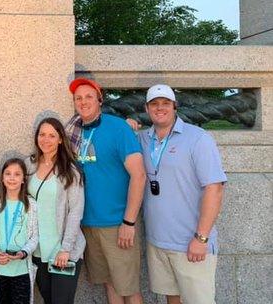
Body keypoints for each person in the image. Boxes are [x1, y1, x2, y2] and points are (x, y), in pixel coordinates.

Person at [138, 84, 226, 304]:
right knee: (172, 299)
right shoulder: (143, 139)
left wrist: (201, 237)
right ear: (147, 108)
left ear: (175, 106)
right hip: (157, 243)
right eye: (154, 104)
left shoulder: (198, 138)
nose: (160, 108)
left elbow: (214, 188)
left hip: (190, 243)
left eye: (165, 103)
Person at [65, 77, 146, 304]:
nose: (83, 101)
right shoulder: (73, 131)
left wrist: (129, 222)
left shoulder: (118, 127)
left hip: (117, 224)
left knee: (129, 288)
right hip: (89, 224)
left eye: (89, 96)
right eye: (78, 98)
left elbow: (139, 175)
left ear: (100, 100)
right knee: (110, 284)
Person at [26, 117, 85, 304]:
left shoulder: (70, 170)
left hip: (62, 251)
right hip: (38, 251)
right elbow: (11, 193)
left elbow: (76, 211)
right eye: (42, 134)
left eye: (52, 135)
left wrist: (66, 249)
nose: (46, 139)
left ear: (60, 139)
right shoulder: (29, 165)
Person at [0, 158, 39, 304]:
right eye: (8, 174)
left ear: (23, 179)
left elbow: (34, 237)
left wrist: (23, 253)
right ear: (2, 178)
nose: (12, 178)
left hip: (22, 269)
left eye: (17, 174)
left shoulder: (31, 205)